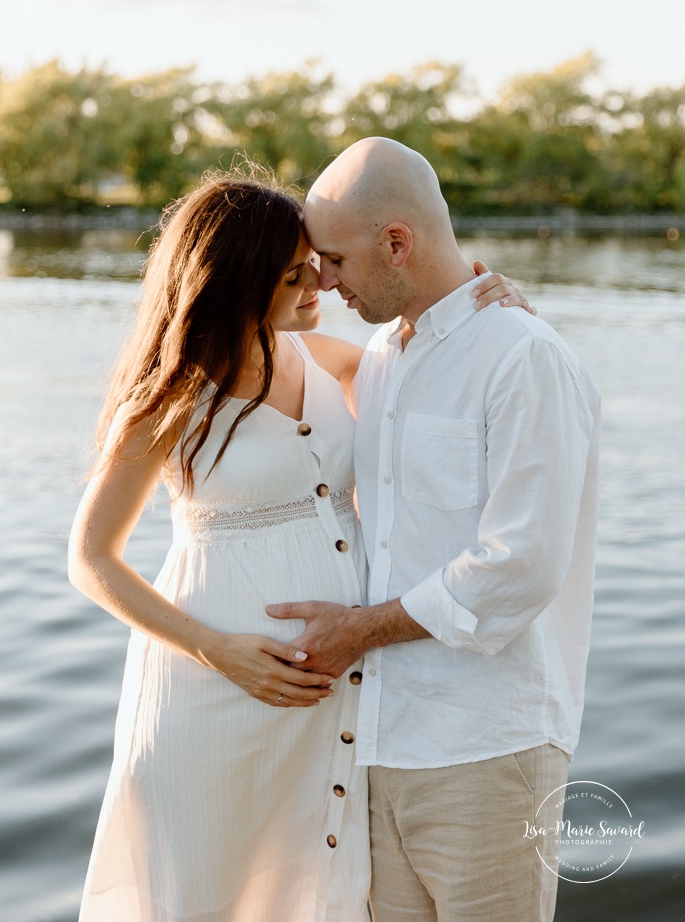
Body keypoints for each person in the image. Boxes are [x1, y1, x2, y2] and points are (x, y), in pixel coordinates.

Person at [68, 166, 525, 922]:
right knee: (204, 886)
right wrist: (220, 650)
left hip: (324, 694)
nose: (319, 285)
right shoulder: (169, 398)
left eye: (316, 264)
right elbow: (90, 560)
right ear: (237, 283)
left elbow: (425, 353)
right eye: (293, 276)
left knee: (307, 890)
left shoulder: (324, 359)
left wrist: (483, 298)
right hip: (211, 687)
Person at [267, 137, 601, 922]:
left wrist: (357, 632)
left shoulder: (522, 357)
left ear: (395, 242)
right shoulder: (383, 353)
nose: (323, 280)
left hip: (486, 747)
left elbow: (518, 564)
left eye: (336, 261)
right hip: (375, 744)